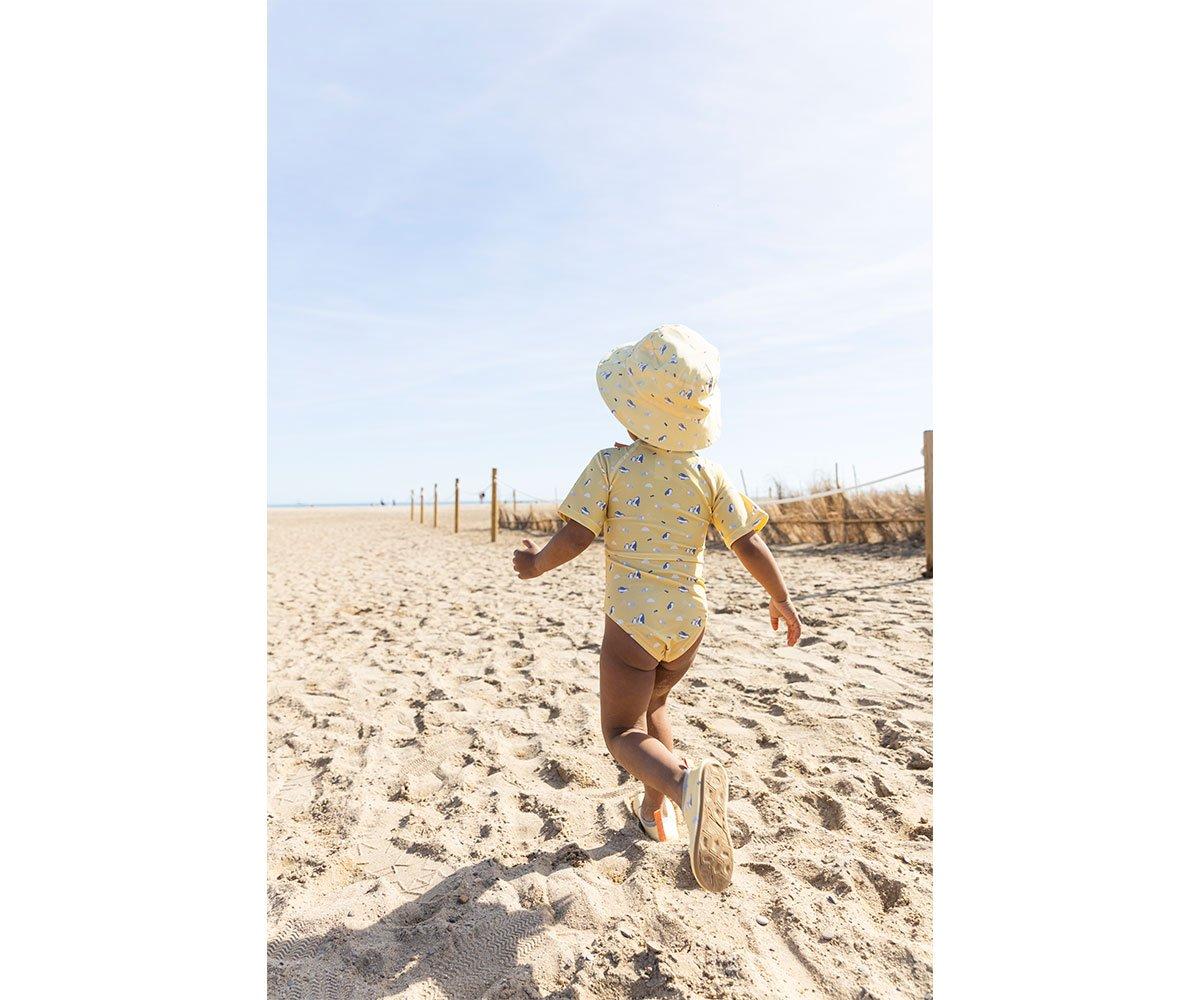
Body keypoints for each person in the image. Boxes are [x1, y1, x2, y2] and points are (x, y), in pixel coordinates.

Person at [512, 325, 801, 892]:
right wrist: (781, 597)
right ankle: (655, 809)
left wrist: (536, 565)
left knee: (620, 729)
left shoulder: (610, 465)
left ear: (633, 411)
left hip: (633, 623)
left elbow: (576, 535)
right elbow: (748, 541)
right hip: (689, 622)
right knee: (654, 708)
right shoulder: (709, 473)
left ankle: (684, 787)